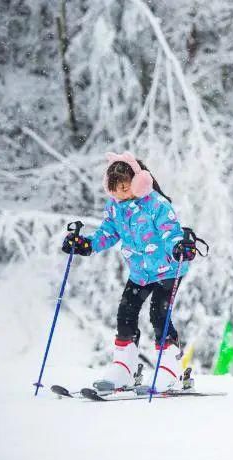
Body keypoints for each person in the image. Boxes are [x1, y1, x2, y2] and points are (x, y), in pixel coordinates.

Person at [62, 152, 197, 392]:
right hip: (140, 272)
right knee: (125, 313)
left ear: (139, 182)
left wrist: (179, 246)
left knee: (158, 313)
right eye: (114, 189)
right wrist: (86, 244)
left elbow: (170, 231)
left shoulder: (156, 204)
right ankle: (124, 368)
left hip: (167, 269)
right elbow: (108, 233)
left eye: (125, 188)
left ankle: (169, 369)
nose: (120, 194)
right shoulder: (115, 208)